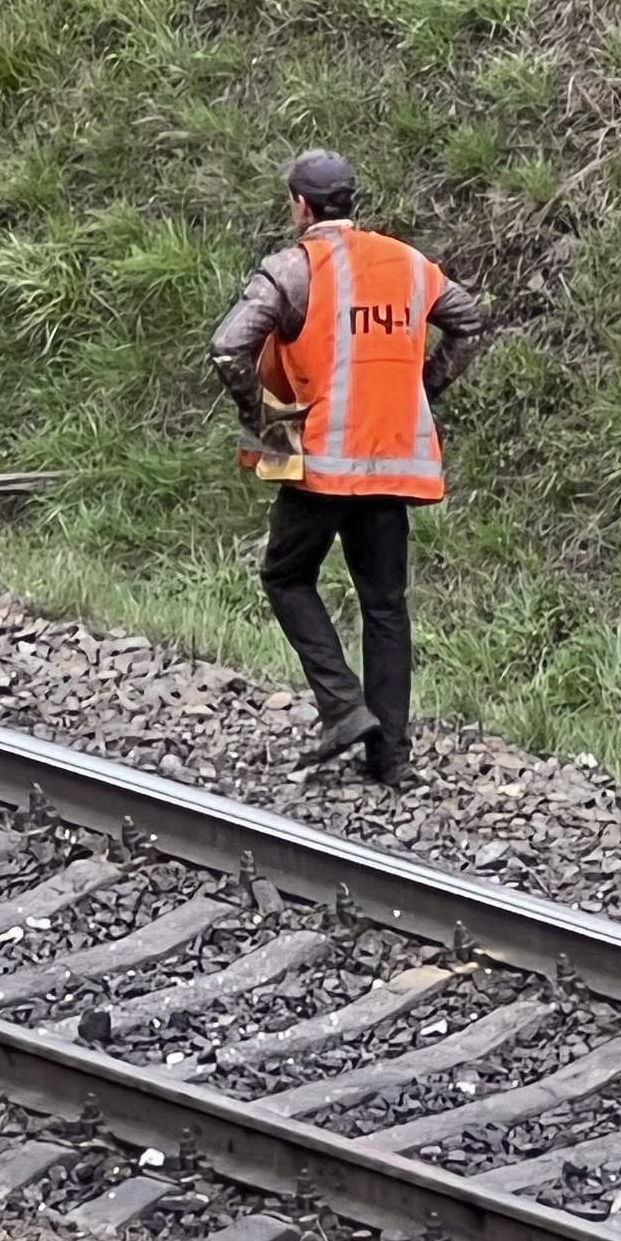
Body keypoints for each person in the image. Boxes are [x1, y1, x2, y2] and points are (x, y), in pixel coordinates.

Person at [210, 148, 489, 787]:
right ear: (351, 202)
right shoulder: (409, 265)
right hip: (392, 455)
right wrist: (424, 387)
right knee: (385, 604)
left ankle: (341, 705)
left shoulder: (292, 269)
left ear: (301, 206)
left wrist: (265, 419)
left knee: (286, 575)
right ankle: (390, 759)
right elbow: (468, 324)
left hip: (318, 455)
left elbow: (229, 349)